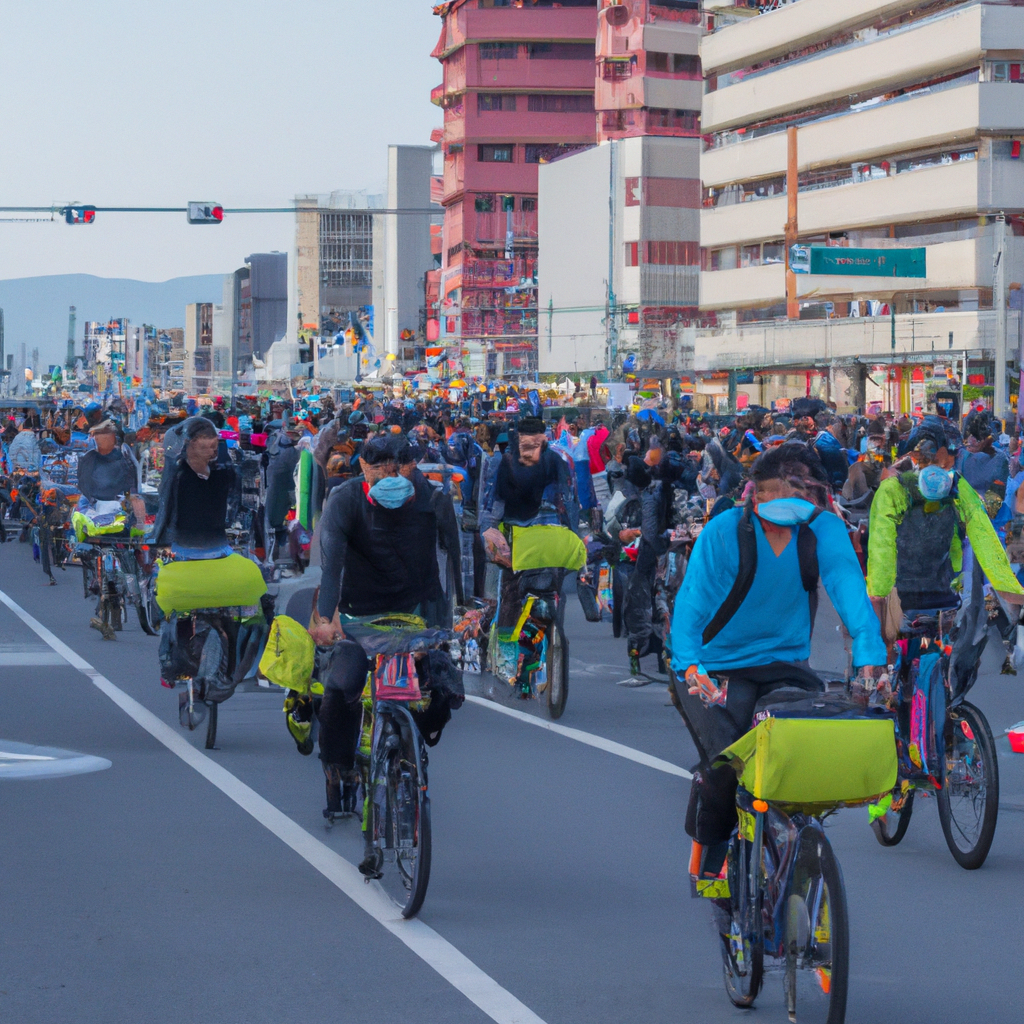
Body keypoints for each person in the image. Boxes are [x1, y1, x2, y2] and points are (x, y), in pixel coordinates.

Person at [669, 442, 886, 866]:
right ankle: (710, 858)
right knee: (727, 764)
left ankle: (790, 853)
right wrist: (691, 665)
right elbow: (690, 610)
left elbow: (851, 595)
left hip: (785, 664)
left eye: (803, 496)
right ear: (756, 494)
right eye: (782, 496)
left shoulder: (823, 530)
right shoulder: (724, 531)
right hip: (712, 667)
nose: (792, 508)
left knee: (805, 749)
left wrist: (869, 656)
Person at [311, 435, 454, 843]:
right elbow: (332, 563)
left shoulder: (433, 498)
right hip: (361, 614)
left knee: (438, 688)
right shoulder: (345, 500)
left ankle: (412, 752)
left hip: (417, 614)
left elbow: (456, 559)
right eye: (380, 468)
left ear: (408, 467)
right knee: (342, 684)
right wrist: (328, 617)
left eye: (398, 466)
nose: (390, 474)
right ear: (363, 469)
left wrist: (456, 616)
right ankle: (338, 768)